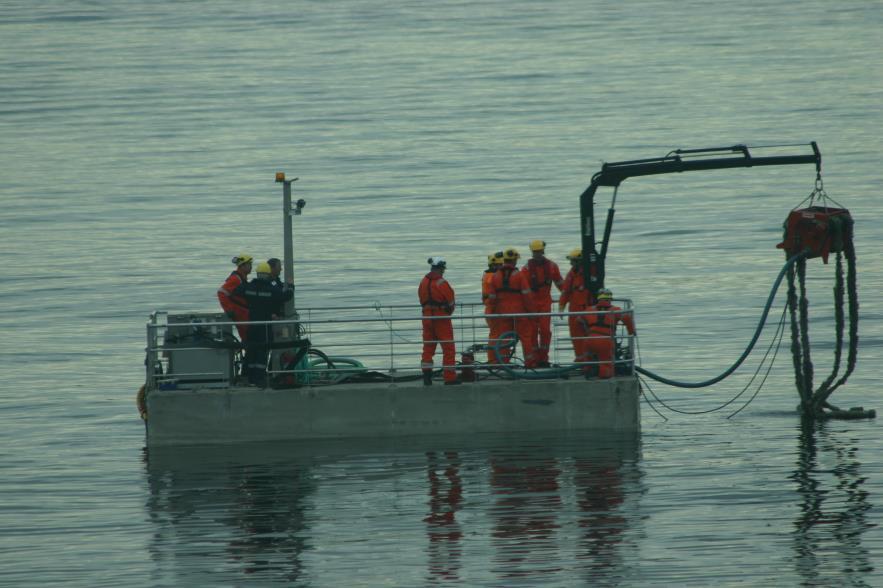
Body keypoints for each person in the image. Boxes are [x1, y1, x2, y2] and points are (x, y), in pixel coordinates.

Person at [239, 261, 293, 386]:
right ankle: (259, 378)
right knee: (262, 352)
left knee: (251, 351)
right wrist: (290, 286)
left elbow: (235, 292)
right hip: (265, 325)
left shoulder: (249, 287)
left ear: (257, 274)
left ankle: (248, 377)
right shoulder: (270, 289)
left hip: (252, 325)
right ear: (268, 274)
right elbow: (286, 296)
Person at [486, 248, 537, 367]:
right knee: (526, 337)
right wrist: (532, 313)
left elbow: (491, 298)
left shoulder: (495, 276)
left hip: (502, 314)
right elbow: (527, 297)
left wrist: (491, 313)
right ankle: (530, 362)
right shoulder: (519, 276)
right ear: (514, 261)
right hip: (519, 313)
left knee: (504, 339)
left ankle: (504, 363)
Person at [520, 240, 563, 367]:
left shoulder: (552, 266)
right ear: (532, 252)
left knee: (545, 331)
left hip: (545, 303)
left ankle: (543, 358)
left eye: (539, 252)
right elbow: (522, 289)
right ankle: (533, 359)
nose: (537, 254)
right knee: (532, 332)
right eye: (535, 252)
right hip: (531, 304)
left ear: (543, 251)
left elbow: (560, 283)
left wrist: (567, 297)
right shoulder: (526, 269)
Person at [418, 256, 459, 386]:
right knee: (448, 349)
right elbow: (451, 303)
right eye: (443, 269)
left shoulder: (423, 282)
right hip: (441, 319)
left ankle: (427, 377)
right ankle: (449, 378)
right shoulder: (442, 283)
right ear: (440, 269)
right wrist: (447, 312)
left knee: (428, 348)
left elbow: (421, 299)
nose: (443, 271)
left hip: (427, 319)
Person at [584, 288, 635, 379]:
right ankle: (603, 380)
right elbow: (626, 318)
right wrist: (632, 331)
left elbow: (578, 320)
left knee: (589, 360)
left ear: (598, 299)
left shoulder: (589, 309)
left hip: (590, 340)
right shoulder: (615, 310)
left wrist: (587, 331)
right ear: (610, 299)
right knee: (606, 366)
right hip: (605, 341)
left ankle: (589, 372)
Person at [558, 249, 594, 370]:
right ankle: (580, 359)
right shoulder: (571, 274)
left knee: (587, 337)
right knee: (575, 337)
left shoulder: (588, 274)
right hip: (573, 312)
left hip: (586, 311)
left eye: (573, 261)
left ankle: (588, 362)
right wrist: (561, 306)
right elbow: (565, 291)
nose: (571, 264)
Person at [218, 253, 253, 341]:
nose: (251, 267)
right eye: (249, 265)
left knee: (248, 338)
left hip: (243, 313)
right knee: (247, 338)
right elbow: (221, 293)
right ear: (242, 266)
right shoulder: (236, 279)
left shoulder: (242, 278)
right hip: (240, 314)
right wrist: (229, 310)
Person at [482, 251, 504, 364]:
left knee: (500, 335)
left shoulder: (488, 275)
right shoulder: (491, 276)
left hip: (494, 309)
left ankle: (500, 360)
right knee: (497, 336)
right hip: (494, 310)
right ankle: (494, 360)